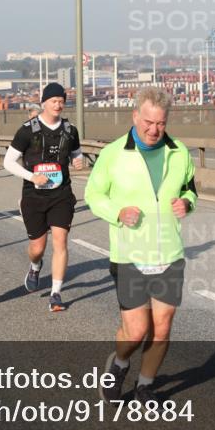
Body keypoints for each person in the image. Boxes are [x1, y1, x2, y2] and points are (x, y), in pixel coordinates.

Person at [85, 87, 198, 404]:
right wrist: (117, 213)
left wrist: (186, 204)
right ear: (135, 116)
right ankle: (119, 364)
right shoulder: (113, 153)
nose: (153, 129)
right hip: (130, 254)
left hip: (169, 253)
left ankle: (145, 386)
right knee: (135, 331)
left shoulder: (180, 153)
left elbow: (191, 191)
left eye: (160, 123)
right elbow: (94, 195)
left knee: (161, 328)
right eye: (148, 121)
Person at [3, 83, 85, 311]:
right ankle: (35, 265)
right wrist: (31, 176)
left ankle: (56, 294)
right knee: (37, 247)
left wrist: (78, 162)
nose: (58, 105)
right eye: (53, 101)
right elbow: (9, 162)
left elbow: (77, 156)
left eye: (61, 101)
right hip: (34, 196)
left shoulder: (70, 131)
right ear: (44, 103)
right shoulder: (27, 130)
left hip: (61, 194)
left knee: (61, 241)